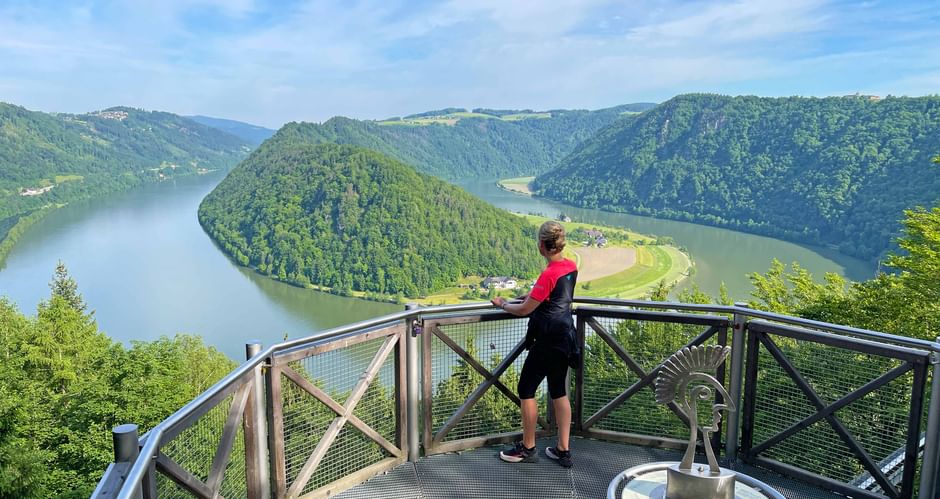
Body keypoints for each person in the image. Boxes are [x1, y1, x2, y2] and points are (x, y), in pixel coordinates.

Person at [491, 220, 578, 468]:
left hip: (547, 339)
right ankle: (563, 449)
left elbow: (525, 310)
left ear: (542, 245)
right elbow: (553, 296)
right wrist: (531, 295)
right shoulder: (570, 267)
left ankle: (528, 448)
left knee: (526, 389)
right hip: (565, 337)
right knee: (558, 391)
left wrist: (503, 305)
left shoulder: (549, 273)